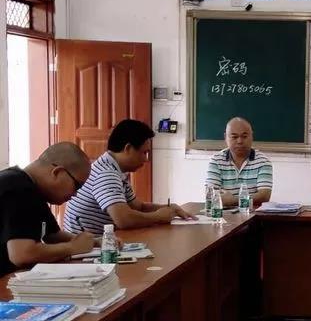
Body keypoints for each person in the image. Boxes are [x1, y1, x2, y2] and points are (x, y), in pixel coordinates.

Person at [64, 119, 193, 234]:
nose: (146, 159)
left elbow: (138, 207)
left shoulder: (114, 168)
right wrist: (158, 217)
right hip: (88, 248)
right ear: (128, 148)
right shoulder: (106, 174)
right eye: (144, 152)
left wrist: (168, 208)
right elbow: (123, 220)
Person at [1, 142, 97, 276]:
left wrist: (94, 242)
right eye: (77, 186)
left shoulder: (31, 187)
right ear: (57, 172)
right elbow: (22, 255)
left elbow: (52, 236)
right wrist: (73, 247)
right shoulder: (18, 188)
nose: (75, 194)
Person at [205, 117, 272, 208]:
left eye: (244, 136)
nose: (240, 141)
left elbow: (264, 196)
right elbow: (210, 194)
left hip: (252, 214)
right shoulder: (216, 161)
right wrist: (245, 199)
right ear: (225, 137)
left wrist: (234, 200)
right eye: (234, 137)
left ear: (252, 136)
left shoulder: (263, 161)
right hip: (223, 214)